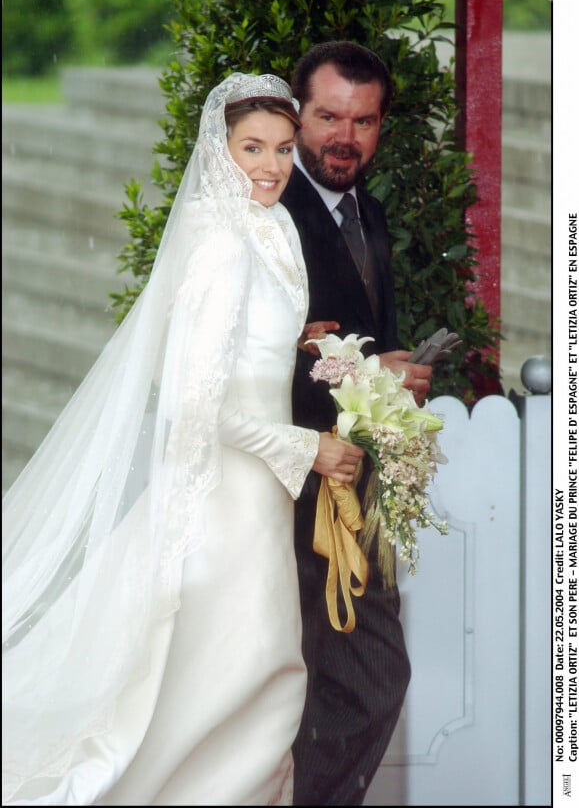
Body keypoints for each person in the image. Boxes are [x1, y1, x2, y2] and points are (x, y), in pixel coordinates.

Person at [2, 72, 365, 807]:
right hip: (221, 504)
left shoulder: (265, 225)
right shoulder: (218, 242)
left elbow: (234, 348)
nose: (269, 165)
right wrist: (309, 449)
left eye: (283, 149)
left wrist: (292, 340)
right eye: (251, 148)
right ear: (218, 150)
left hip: (254, 500)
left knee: (235, 677)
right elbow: (199, 404)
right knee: (254, 670)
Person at [280, 41, 433, 806]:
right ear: (297, 114)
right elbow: (260, 367)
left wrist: (392, 369)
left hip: (357, 496)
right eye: (329, 116)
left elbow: (353, 343)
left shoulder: (366, 208)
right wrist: (377, 377)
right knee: (319, 692)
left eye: (364, 120)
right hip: (290, 498)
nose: (346, 136)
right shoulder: (270, 213)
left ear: (381, 127)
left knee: (366, 680)